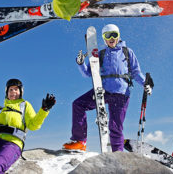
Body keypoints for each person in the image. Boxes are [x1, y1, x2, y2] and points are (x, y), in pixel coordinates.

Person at [62, 24, 154, 152]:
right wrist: (81, 63)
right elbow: (88, 73)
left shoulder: (127, 52)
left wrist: (146, 84)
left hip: (121, 93)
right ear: (104, 38)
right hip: (103, 91)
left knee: (115, 126)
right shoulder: (101, 54)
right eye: (107, 35)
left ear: (118, 36)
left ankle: (118, 154)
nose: (111, 38)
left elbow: (136, 72)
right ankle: (80, 141)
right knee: (78, 104)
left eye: (114, 35)